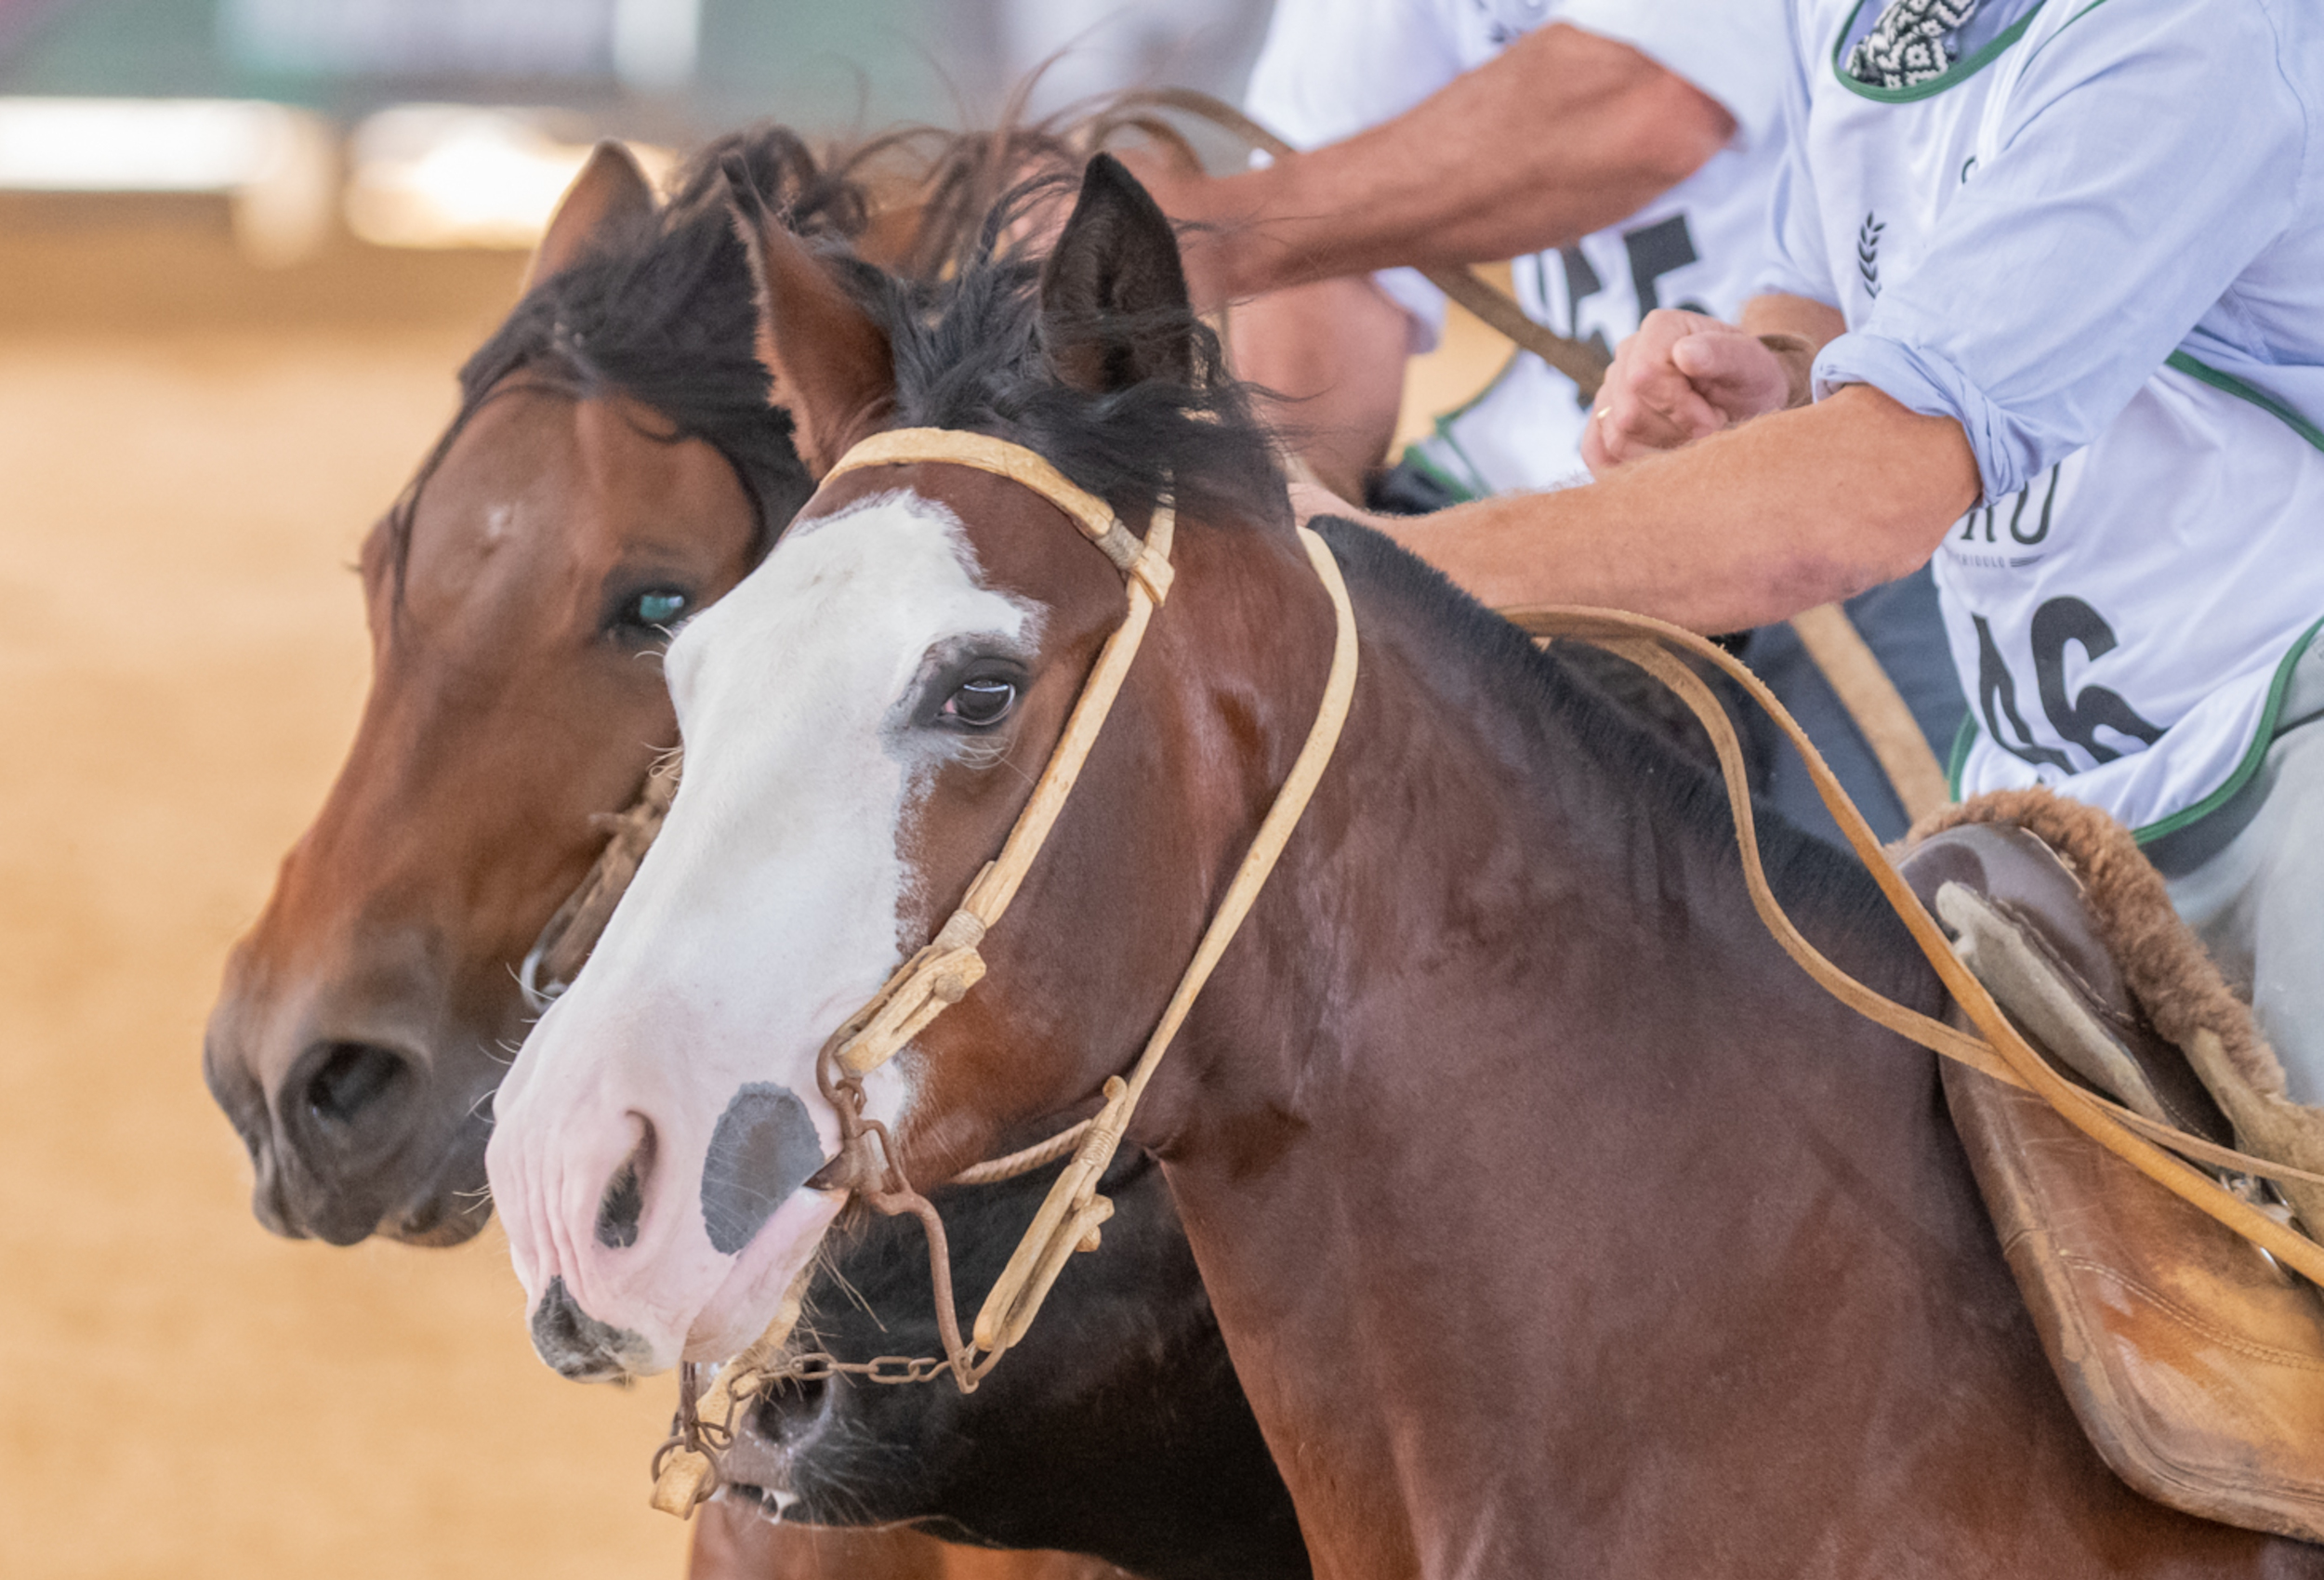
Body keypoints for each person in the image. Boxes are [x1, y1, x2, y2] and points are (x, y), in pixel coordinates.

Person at [1319, 0, 2324, 1099]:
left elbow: (1870, 493)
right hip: (2042, 812)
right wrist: (1774, 372)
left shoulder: (2197, 28)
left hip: (2285, 764)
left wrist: (1363, 565)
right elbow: (1831, 287)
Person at [1132, 0, 1964, 844]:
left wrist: (1227, 228)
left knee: (1915, 914)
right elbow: (1327, 266)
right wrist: (1296, 507)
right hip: (1535, 465)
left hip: (1852, 459)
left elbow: (1651, 105)